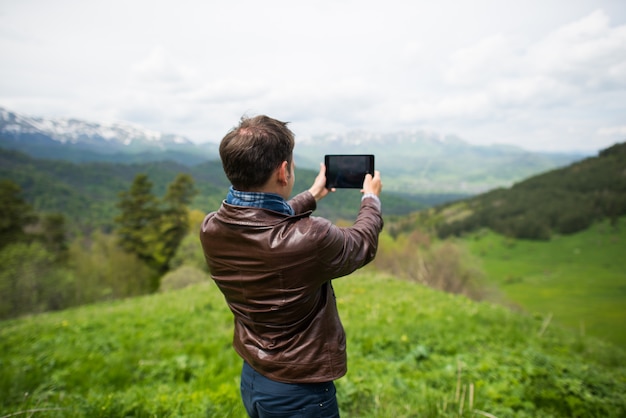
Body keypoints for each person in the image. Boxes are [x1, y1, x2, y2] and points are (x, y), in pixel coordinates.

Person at [199, 115, 383, 417]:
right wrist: (370, 199)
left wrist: (312, 195)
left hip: (254, 376)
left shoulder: (211, 228)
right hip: (300, 390)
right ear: (284, 171)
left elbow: (259, 220)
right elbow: (360, 243)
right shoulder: (311, 238)